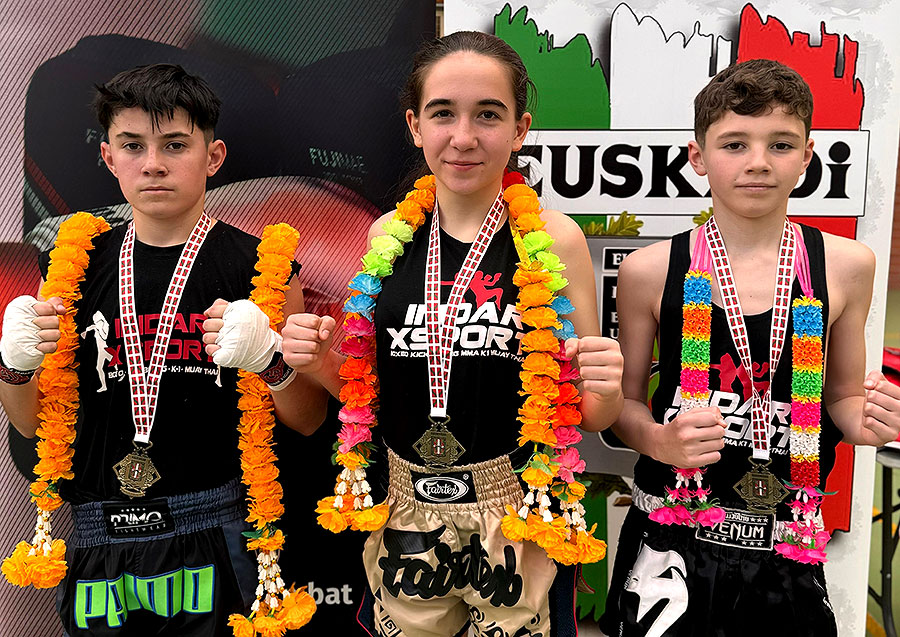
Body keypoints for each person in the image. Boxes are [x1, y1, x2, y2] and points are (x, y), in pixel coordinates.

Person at [268, 31, 624, 637]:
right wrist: (314, 359)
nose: (463, 137)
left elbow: (591, 414)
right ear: (415, 126)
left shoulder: (554, 239)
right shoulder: (389, 234)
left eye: (487, 115)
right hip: (405, 510)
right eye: (442, 114)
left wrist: (608, 387)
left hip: (519, 510)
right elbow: (363, 395)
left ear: (520, 130)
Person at [0, 63, 325, 635]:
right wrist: (13, 367)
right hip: (98, 531)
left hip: (215, 526)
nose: (152, 163)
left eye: (175, 144)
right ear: (109, 158)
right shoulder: (75, 268)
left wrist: (270, 360)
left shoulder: (261, 267)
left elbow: (307, 419)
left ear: (213, 156)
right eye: (133, 146)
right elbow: (31, 426)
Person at [599, 59, 900, 636]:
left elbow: (841, 395)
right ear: (697, 156)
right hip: (672, 542)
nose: (758, 162)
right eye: (734, 144)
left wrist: (865, 422)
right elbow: (622, 408)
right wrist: (660, 440)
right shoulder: (649, 270)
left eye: (780, 145)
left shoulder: (846, 265)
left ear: (807, 156)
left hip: (786, 547)